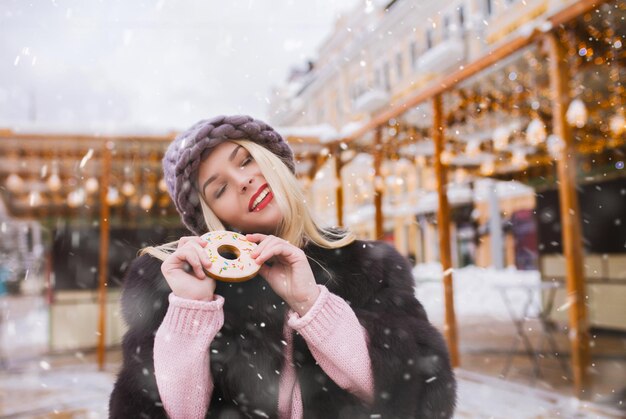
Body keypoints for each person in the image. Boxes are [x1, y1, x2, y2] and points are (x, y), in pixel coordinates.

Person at [109, 115, 456, 418]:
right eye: (220, 189)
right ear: (213, 217)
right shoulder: (174, 287)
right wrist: (193, 311)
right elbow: (165, 412)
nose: (242, 181)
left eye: (245, 160)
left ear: (272, 161)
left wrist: (312, 304)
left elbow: (418, 399)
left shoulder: (368, 266)